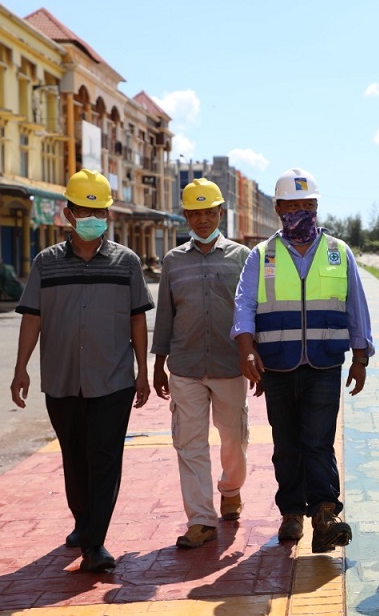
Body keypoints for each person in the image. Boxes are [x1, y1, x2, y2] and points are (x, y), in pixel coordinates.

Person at [9, 169, 153, 572]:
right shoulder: (46, 263)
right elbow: (32, 318)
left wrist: (144, 370)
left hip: (113, 380)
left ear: (107, 212)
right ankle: (83, 522)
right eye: (84, 208)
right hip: (61, 379)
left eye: (99, 209)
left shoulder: (127, 262)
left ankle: (95, 542)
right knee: (75, 457)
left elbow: (137, 319)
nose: (92, 216)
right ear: (69, 213)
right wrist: (20, 368)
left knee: (105, 456)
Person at [232, 168, 373, 554]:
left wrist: (360, 356)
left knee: (318, 441)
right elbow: (244, 304)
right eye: (292, 206)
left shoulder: (338, 252)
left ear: (316, 206)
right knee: (287, 443)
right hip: (277, 364)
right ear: (278, 208)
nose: (300, 212)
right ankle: (292, 512)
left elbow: (355, 306)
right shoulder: (261, 256)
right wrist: (246, 347)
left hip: (325, 363)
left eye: (307, 205)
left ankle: (325, 514)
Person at [151, 179, 252, 549]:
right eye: (195, 213)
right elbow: (165, 314)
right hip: (185, 366)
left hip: (230, 365)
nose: (203, 220)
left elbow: (251, 309)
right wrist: (159, 362)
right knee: (189, 444)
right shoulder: (173, 261)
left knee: (234, 438)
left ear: (220, 213)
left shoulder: (242, 257)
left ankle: (231, 488)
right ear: (187, 217)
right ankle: (200, 519)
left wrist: (255, 354)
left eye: (209, 212)